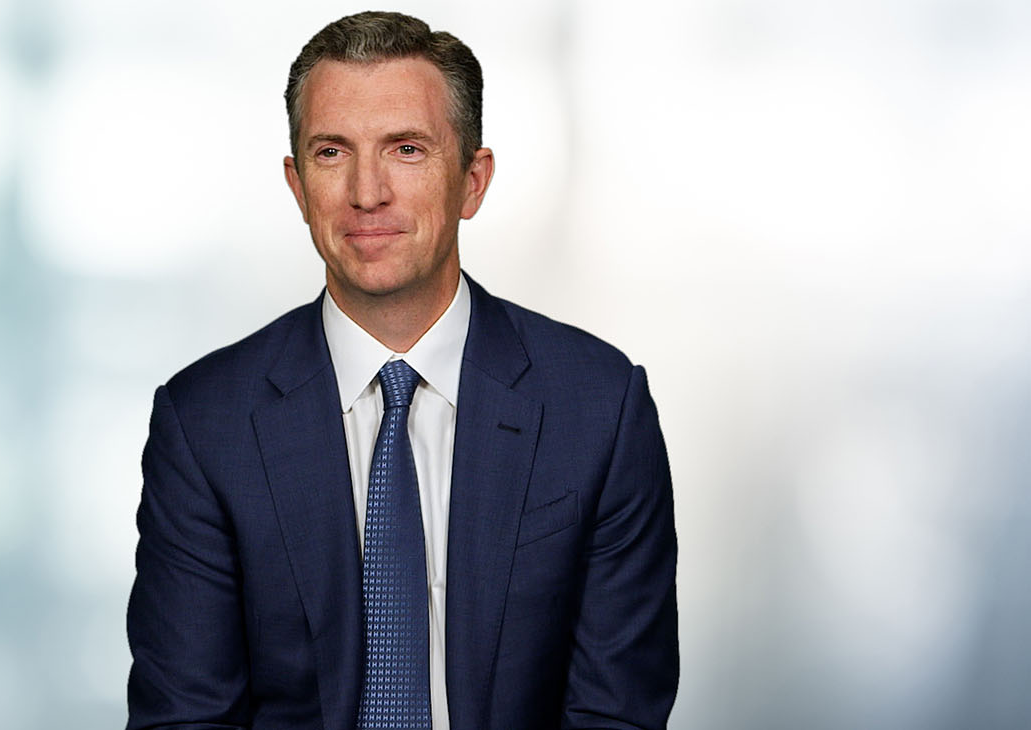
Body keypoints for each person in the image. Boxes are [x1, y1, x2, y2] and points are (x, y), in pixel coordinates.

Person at [126, 11, 677, 730]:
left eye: (406, 149)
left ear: (472, 181)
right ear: (297, 186)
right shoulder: (205, 424)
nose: (367, 192)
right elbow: (185, 717)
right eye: (332, 152)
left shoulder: (600, 408)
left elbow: (617, 713)